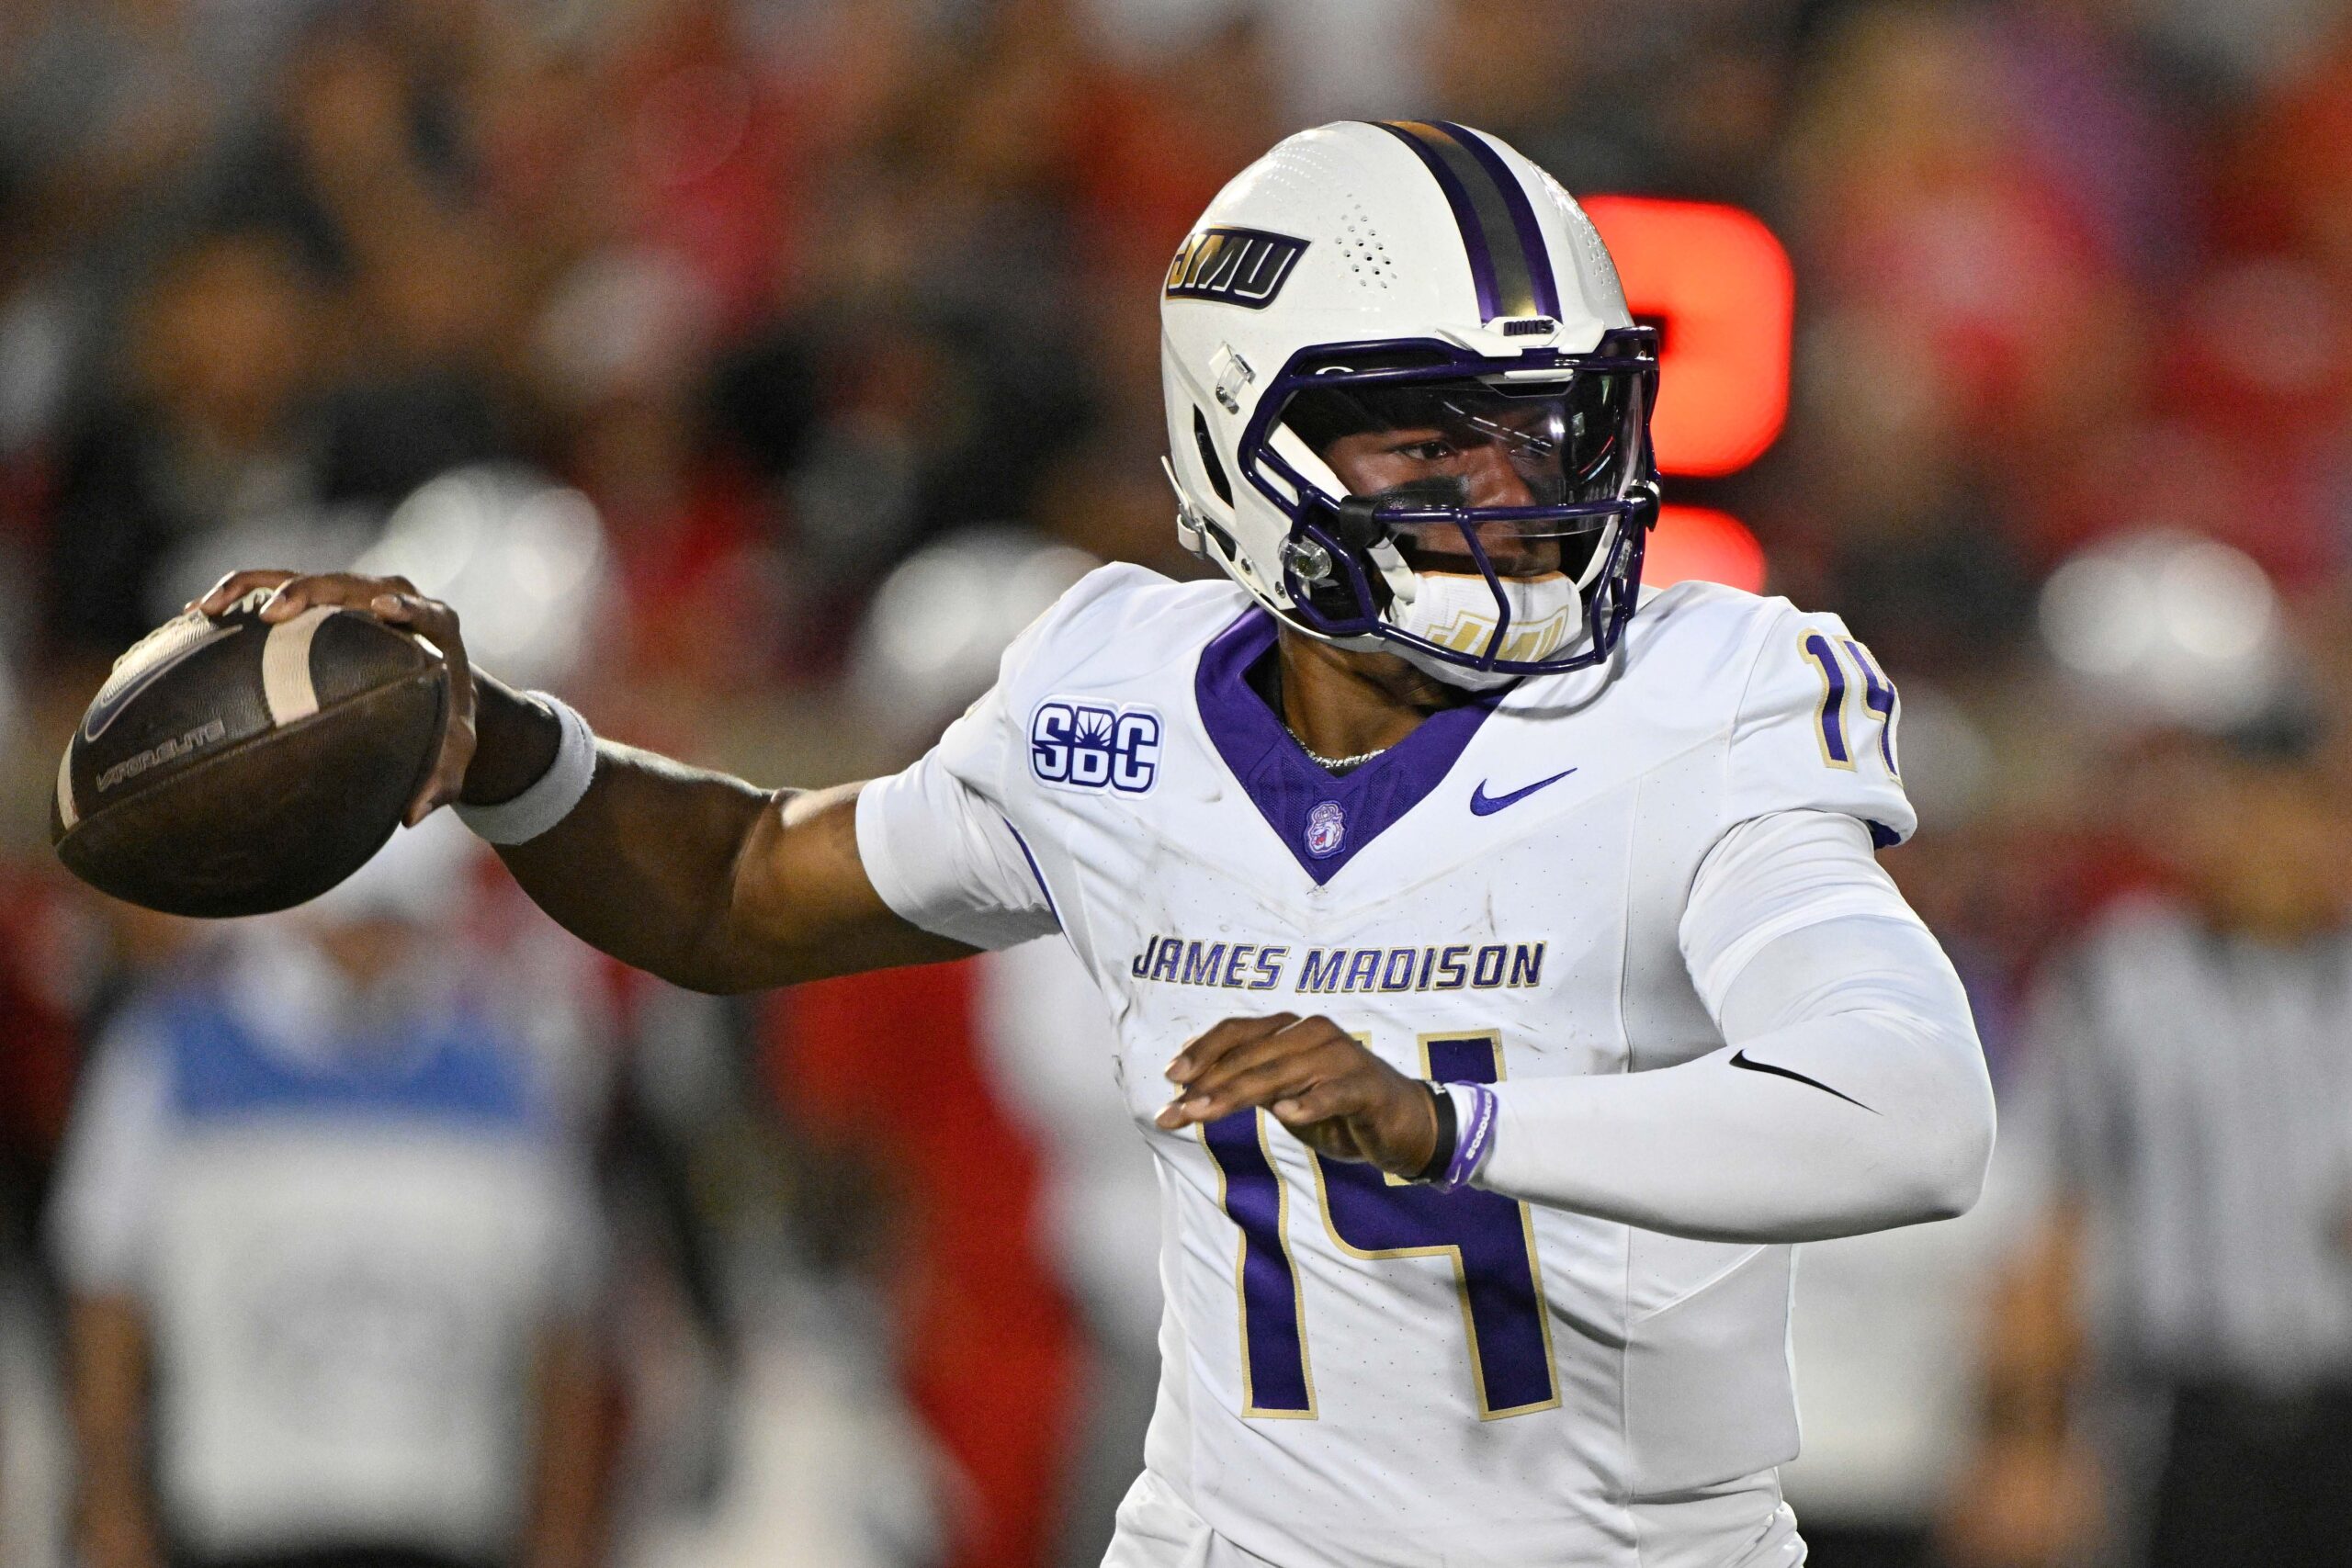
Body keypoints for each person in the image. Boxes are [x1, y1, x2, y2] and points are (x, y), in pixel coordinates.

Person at [192, 120, 1996, 1566]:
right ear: (1239, 443)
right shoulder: (1110, 704)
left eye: (1543, 436)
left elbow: (1907, 1107)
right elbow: (744, 887)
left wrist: (1454, 1123)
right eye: (1425, 449)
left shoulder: (1702, 695)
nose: (1508, 505)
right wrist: (499, 742)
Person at [48, 816, 608, 1568]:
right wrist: (112, 1513)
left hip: (447, 1529)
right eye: (360, 924)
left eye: (391, 924)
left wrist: (562, 1535)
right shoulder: (170, 1054)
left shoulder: (507, 1065)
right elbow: (105, 1303)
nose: (373, 950)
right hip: (233, 1528)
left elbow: (563, 1328)